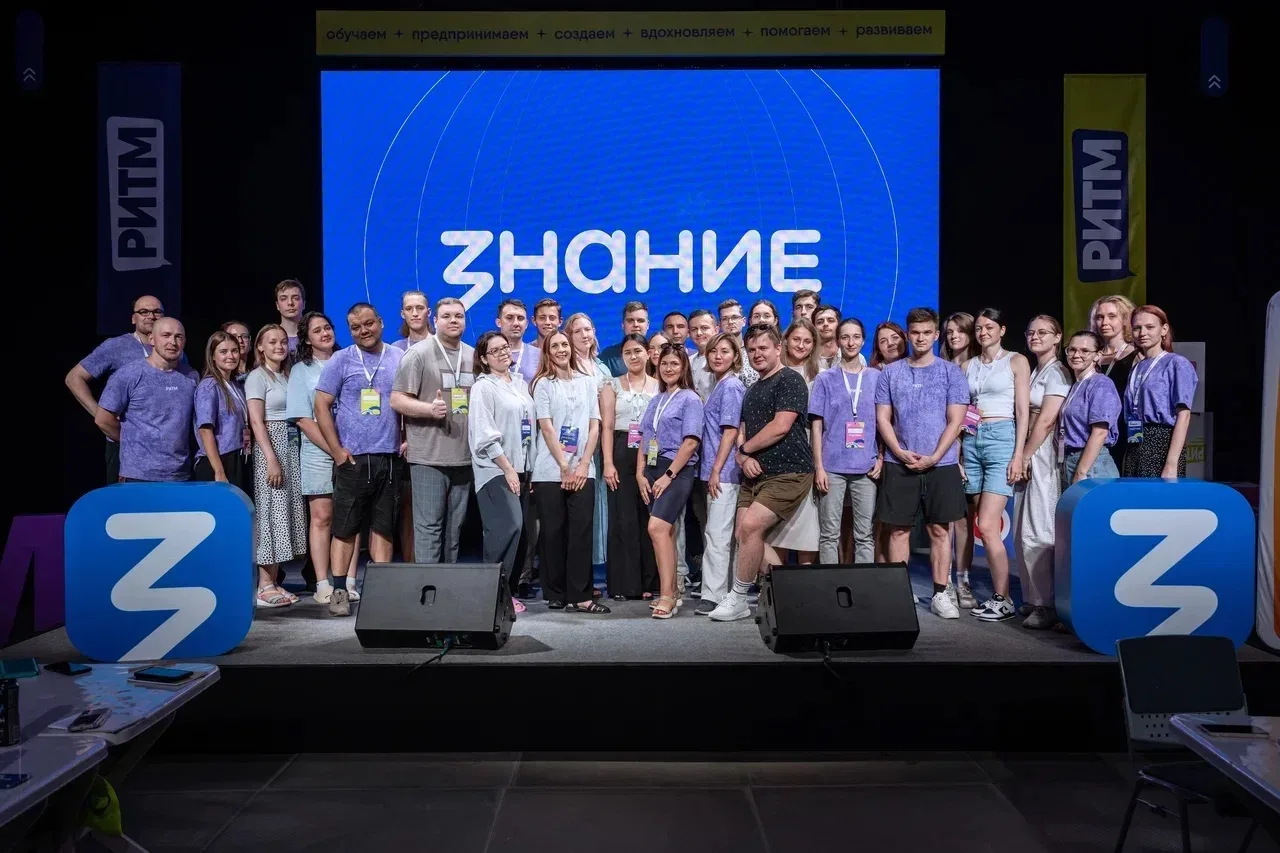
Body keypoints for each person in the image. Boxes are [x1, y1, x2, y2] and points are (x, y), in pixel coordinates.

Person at [708, 325, 813, 622]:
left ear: (778, 348)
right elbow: (743, 429)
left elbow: (781, 426)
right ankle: (790, 591)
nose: (757, 354)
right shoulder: (752, 388)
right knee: (743, 532)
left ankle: (739, 597)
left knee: (751, 526)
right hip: (754, 475)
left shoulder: (790, 379)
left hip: (788, 472)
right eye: (752, 350)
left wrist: (744, 451)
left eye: (763, 348)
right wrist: (743, 458)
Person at [874, 307, 969, 619]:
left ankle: (941, 593)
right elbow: (883, 419)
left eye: (927, 332)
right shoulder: (891, 373)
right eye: (915, 332)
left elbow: (956, 421)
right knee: (898, 532)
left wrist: (935, 456)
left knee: (940, 531)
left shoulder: (951, 373)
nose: (921, 338)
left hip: (941, 465)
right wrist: (899, 452)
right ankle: (900, 593)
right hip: (899, 463)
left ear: (936, 335)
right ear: (907, 334)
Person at [313, 303, 405, 617]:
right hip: (352, 460)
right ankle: (339, 591)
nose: (363, 331)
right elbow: (320, 405)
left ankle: (381, 592)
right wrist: (336, 450)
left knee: (383, 529)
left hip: (388, 458)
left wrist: (405, 437)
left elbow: (406, 400)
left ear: (380, 322)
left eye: (368, 324)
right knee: (345, 529)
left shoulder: (398, 357)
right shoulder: (341, 360)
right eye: (356, 327)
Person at [67, 294, 194, 483]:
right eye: (144, 312)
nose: (151, 316)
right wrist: (100, 414)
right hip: (125, 448)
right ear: (133, 318)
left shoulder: (175, 352)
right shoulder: (116, 346)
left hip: (171, 460)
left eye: (157, 311)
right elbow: (74, 378)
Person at [530, 331, 609, 614]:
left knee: (581, 533)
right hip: (550, 470)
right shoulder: (542, 384)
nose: (562, 349)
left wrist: (584, 464)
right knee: (553, 533)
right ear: (547, 352)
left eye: (564, 344)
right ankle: (555, 592)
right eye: (555, 346)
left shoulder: (587, 382)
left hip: (583, 469)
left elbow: (594, 426)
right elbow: (547, 427)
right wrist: (564, 465)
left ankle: (582, 595)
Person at [390, 297, 474, 564]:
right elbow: (397, 399)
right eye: (446, 316)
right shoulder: (418, 354)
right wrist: (429, 409)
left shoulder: (473, 356)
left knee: (454, 531)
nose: (453, 320)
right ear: (435, 320)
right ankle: (427, 588)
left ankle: (447, 586)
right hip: (428, 458)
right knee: (429, 530)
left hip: (464, 457)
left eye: (458, 316)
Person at [286, 311, 360, 605]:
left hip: (352, 449)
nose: (325, 333)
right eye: (317, 330)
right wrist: (334, 449)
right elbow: (303, 418)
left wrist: (345, 448)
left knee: (352, 516)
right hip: (319, 451)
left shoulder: (349, 360)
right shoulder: (301, 370)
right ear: (306, 339)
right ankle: (322, 583)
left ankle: (349, 581)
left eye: (328, 327)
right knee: (322, 517)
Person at [962, 308, 1030, 622]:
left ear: (1002, 330)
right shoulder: (968, 365)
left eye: (989, 327)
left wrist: (1019, 455)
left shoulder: (1016, 361)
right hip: (971, 439)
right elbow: (965, 408)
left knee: (989, 525)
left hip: (1002, 436)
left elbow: (1022, 411)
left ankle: (1004, 599)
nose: (983, 332)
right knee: (979, 523)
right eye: (979, 327)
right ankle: (993, 594)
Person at [469, 331, 536, 615]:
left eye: (505, 348)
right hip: (495, 469)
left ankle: (504, 593)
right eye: (494, 351)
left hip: (522, 469)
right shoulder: (483, 388)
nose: (502, 353)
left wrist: (528, 469)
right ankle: (492, 595)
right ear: (484, 359)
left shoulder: (520, 383)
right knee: (507, 527)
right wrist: (508, 469)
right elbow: (484, 435)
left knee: (521, 533)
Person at [1012, 315, 1072, 629]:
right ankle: (1032, 596)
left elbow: (1047, 420)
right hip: (1028, 451)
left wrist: (1024, 455)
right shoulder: (1035, 370)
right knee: (1021, 528)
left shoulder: (1059, 371)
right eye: (1031, 332)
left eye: (1043, 332)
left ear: (1057, 337)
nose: (1035, 337)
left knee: (1039, 527)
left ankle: (1046, 603)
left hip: (1043, 452)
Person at [637, 344, 704, 619]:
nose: (668, 368)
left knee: (657, 528)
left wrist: (668, 475)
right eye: (664, 363)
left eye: (674, 363)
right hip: (652, 469)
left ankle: (666, 595)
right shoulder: (656, 400)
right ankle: (672, 591)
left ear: (684, 366)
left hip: (676, 470)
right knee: (666, 533)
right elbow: (643, 438)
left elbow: (691, 442)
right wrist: (640, 472)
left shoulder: (690, 399)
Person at [810, 318, 882, 564]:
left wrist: (881, 457)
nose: (851, 342)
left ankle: (864, 585)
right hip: (832, 467)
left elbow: (884, 422)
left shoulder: (876, 377)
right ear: (838, 341)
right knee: (829, 535)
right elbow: (817, 425)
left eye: (856, 337)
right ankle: (830, 584)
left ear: (863, 340)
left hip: (866, 466)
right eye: (845, 337)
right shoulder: (825, 379)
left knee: (864, 535)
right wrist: (819, 467)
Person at [245, 324, 307, 608]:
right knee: (271, 513)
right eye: (272, 342)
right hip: (271, 446)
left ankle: (274, 580)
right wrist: (271, 459)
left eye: (283, 341)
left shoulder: (287, 374)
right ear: (260, 346)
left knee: (284, 514)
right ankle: (264, 585)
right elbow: (256, 421)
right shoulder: (257, 377)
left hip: (291, 445)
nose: (279, 346)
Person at [94, 316, 197, 483]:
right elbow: (103, 419)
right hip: (138, 476)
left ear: (184, 341)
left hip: (180, 475)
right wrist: (132, 443)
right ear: (152, 339)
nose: (172, 342)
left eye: (178, 337)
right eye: (166, 335)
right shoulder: (129, 374)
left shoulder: (191, 376)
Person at [600, 333, 660, 601]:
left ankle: (649, 582)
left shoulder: (659, 385)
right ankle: (624, 585)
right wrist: (608, 463)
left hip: (652, 451)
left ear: (648, 353)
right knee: (622, 517)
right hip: (621, 451)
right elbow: (607, 426)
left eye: (637, 351)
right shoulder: (611, 385)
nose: (633, 356)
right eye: (627, 352)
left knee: (648, 515)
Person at [696, 333, 746, 614]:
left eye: (725, 351)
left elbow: (730, 431)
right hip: (716, 470)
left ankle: (713, 595)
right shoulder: (719, 385)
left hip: (724, 473)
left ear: (735, 356)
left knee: (717, 534)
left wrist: (716, 470)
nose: (718, 356)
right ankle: (722, 591)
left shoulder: (731, 387)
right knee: (719, 534)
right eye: (713, 351)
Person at [1122, 305, 1198, 478]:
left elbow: (1184, 415)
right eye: (1137, 328)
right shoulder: (1137, 367)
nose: (1142, 333)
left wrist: (1171, 463)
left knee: (1157, 495)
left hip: (1162, 441)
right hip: (1136, 440)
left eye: (1150, 327)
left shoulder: (1176, 363)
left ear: (1164, 329)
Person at [942, 312, 979, 607]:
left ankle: (963, 580)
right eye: (950, 331)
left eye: (960, 331)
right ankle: (945, 581)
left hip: (974, 446)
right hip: (945, 448)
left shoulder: (978, 368)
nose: (954, 336)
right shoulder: (940, 367)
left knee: (966, 519)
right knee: (946, 521)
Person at [1060, 330, 1123, 484]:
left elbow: (1100, 432)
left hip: (1093, 464)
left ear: (1097, 355)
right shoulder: (1076, 385)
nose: (1076, 355)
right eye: (1072, 349)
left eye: (1085, 351)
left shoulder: (1101, 384)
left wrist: (1081, 471)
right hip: (1071, 460)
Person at [192, 331, 250, 489]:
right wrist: (219, 471)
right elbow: (205, 430)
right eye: (223, 352)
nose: (230, 356)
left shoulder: (236, 385)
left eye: (234, 351)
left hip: (237, 457)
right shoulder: (209, 386)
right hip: (217, 462)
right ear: (212, 356)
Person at [1090, 294, 1139, 467]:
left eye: (1112, 316)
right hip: (1090, 427)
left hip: (1121, 429)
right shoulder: (1088, 355)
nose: (1104, 322)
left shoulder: (1136, 356)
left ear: (1125, 320)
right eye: (1099, 317)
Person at [598, 301, 649, 377]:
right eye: (630, 321)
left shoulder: (656, 353)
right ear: (623, 325)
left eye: (640, 320)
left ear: (647, 325)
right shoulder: (608, 357)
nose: (636, 324)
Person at [496, 298, 537, 383]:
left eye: (520, 318)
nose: (515, 323)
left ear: (526, 324)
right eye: (509, 318)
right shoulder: (487, 355)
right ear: (499, 322)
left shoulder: (540, 356)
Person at [687, 309, 719, 401]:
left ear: (716, 330)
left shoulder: (722, 360)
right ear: (689, 333)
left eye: (704, 328)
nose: (699, 333)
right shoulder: (688, 361)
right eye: (694, 329)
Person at [274, 279, 306, 355]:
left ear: (304, 304)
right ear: (277, 305)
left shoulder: (314, 336)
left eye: (296, 298)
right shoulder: (271, 336)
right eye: (283, 299)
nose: (290, 303)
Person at [813, 305, 841, 369]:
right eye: (820, 322)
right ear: (814, 327)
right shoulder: (806, 357)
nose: (825, 324)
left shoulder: (855, 358)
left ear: (839, 325)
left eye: (830, 320)